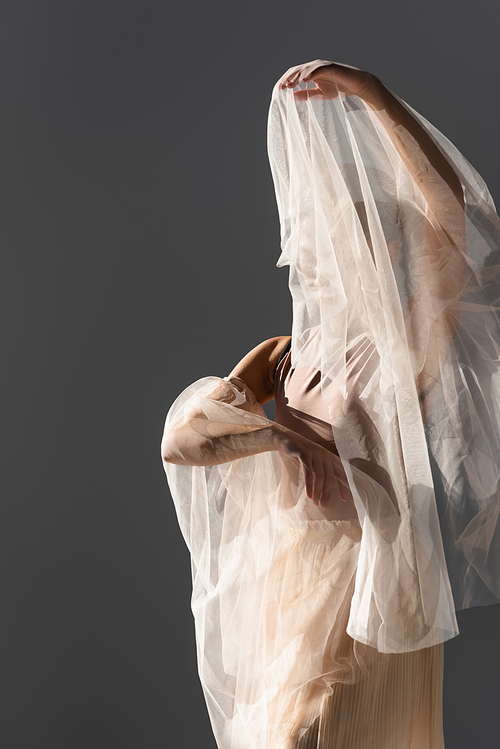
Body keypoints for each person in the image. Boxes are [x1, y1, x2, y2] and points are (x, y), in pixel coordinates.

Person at [162, 61, 500, 749]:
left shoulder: (398, 353)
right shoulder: (281, 356)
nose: (305, 257)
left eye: (331, 246)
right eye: (302, 245)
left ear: (372, 259)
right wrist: (281, 439)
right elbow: (184, 441)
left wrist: (374, 95)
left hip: (373, 586)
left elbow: (452, 219)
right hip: (293, 582)